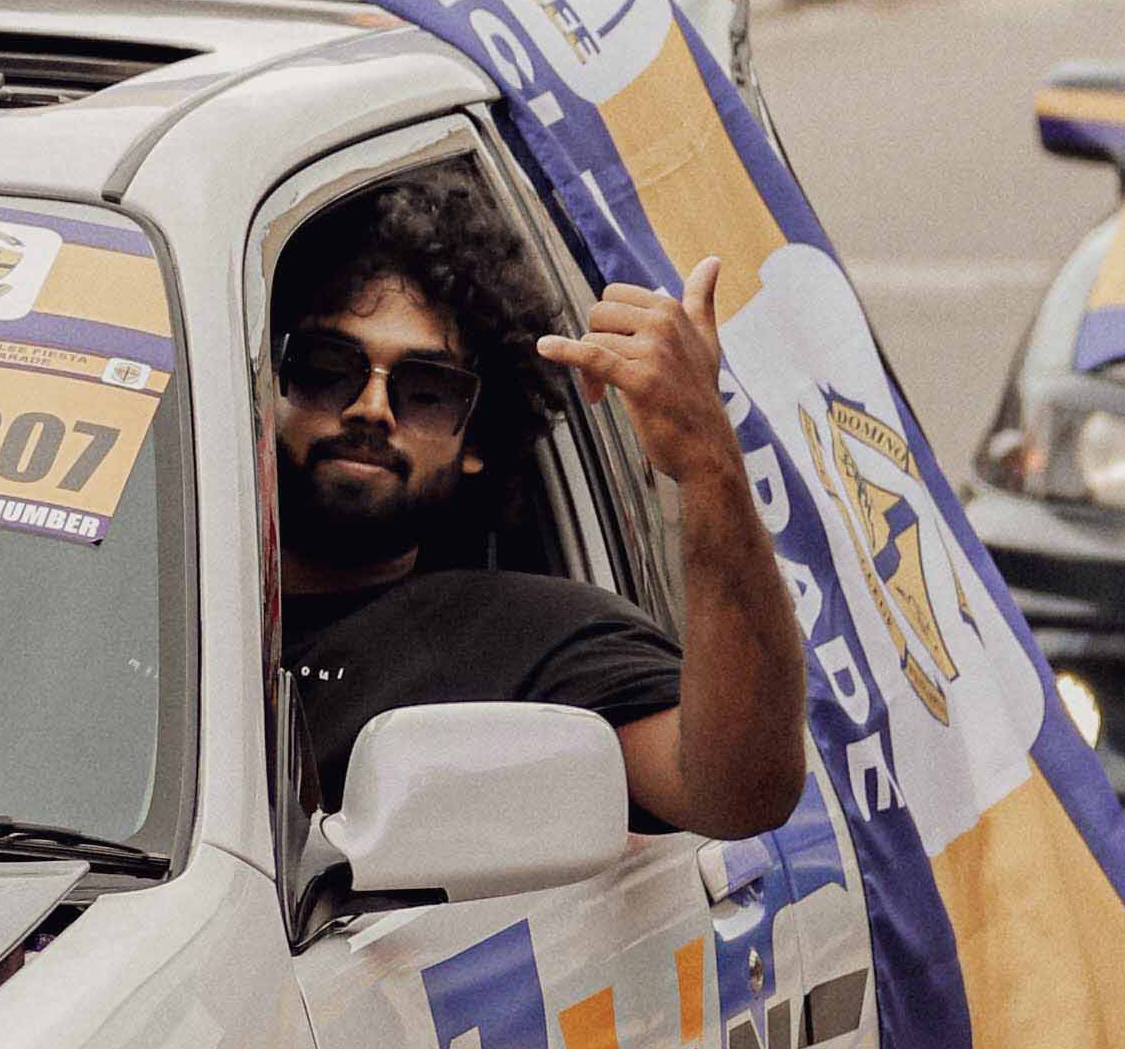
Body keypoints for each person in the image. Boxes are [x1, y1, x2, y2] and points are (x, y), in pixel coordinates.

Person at [264, 159, 806, 841]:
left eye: (425, 390)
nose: (371, 409)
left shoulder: (528, 641)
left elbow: (735, 791)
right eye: (327, 369)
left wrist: (709, 467)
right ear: (267, 382)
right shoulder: (139, 603)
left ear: (478, 436)